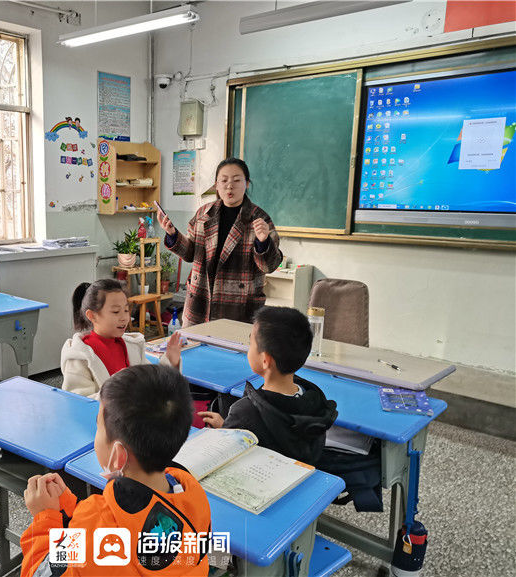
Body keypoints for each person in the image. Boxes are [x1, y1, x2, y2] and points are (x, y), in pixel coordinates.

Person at [20, 364, 212, 577]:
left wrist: (45, 518)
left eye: (98, 428)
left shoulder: (94, 525)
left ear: (118, 456)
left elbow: (41, 573)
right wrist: (68, 507)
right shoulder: (192, 494)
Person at [199, 306, 337, 465]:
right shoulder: (316, 399)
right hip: (300, 478)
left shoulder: (245, 412)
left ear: (265, 360)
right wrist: (228, 426)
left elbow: (226, 454)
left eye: (251, 342)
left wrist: (225, 430)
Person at [157, 158, 282, 327]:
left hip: (238, 309)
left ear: (247, 184)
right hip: (199, 304)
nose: (229, 186)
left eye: (237, 180)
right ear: (216, 185)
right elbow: (190, 253)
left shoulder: (260, 218)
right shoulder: (203, 214)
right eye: (224, 180)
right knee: (194, 350)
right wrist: (172, 234)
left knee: (232, 351)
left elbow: (269, 266)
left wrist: (263, 242)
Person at [61, 279, 182, 398]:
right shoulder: (78, 355)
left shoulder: (132, 345)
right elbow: (77, 402)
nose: (124, 317)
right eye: (116, 311)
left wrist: (170, 362)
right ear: (92, 316)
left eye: (126, 310)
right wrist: (119, 390)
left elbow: (151, 382)